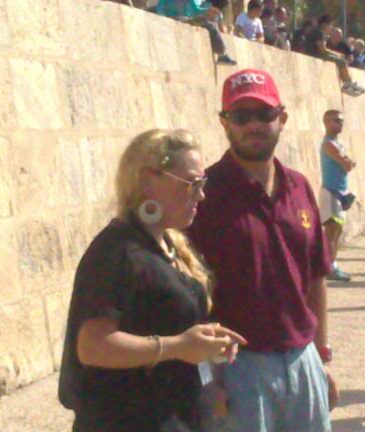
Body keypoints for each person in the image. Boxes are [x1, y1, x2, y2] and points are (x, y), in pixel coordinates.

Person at [59, 128, 246, 431]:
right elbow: (92, 346)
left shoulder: (169, 244)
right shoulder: (115, 251)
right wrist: (177, 346)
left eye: (203, 182)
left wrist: (208, 345)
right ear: (148, 179)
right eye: (191, 183)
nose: (201, 194)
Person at [189, 69, 336, 432]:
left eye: (264, 114)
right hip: (239, 369)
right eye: (241, 116)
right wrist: (209, 378)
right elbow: (189, 295)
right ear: (225, 123)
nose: (253, 125)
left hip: (303, 359)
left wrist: (321, 358)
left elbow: (316, 278)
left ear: (282, 119)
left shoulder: (299, 187)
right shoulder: (204, 196)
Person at [155, 0, 236, 66]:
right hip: (172, 18)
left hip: (186, 19)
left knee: (210, 25)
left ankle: (222, 54)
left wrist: (207, 11)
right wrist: (162, 19)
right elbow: (161, 6)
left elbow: (196, 9)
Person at [320, 109, 356, 283]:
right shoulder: (328, 144)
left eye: (341, 120)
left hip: (339, 192)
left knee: (337, 230)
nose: (340, 123)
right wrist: (347, 162)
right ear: (327, 122)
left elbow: (349, 163)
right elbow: (347, 164)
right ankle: (328, 266)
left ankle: (331, 264)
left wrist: (347, 162)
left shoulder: (336, 144)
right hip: (331, 192)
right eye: (336, 120)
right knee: (332, 230)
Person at [308, 28, 365, 97]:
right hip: (319, 58)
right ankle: (347, 85)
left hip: (333, 63)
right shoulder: (326, 40)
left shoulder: (342, 44)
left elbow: (350, 58)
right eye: (338, 35)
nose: (339, 38)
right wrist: (338, 55)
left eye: (340, 36)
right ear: (332, 34)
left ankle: (349, 83)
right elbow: (324, 50)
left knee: (342, 62)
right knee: (341, 62)